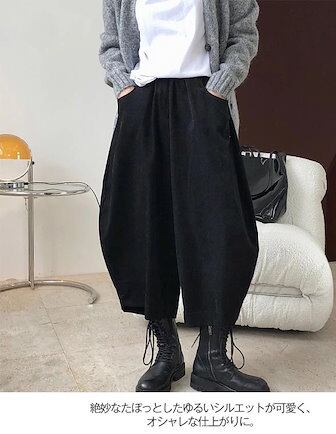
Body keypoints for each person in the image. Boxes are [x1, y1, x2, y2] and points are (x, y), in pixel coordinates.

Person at [98, 0, 270, 392]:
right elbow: (110, 44)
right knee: (143, 227)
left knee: (222, 231)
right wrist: (124, 87)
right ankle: (167, 351)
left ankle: (213, 359)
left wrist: (220, 87)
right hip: (142, 102)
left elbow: (244, 33)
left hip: (204, 97)